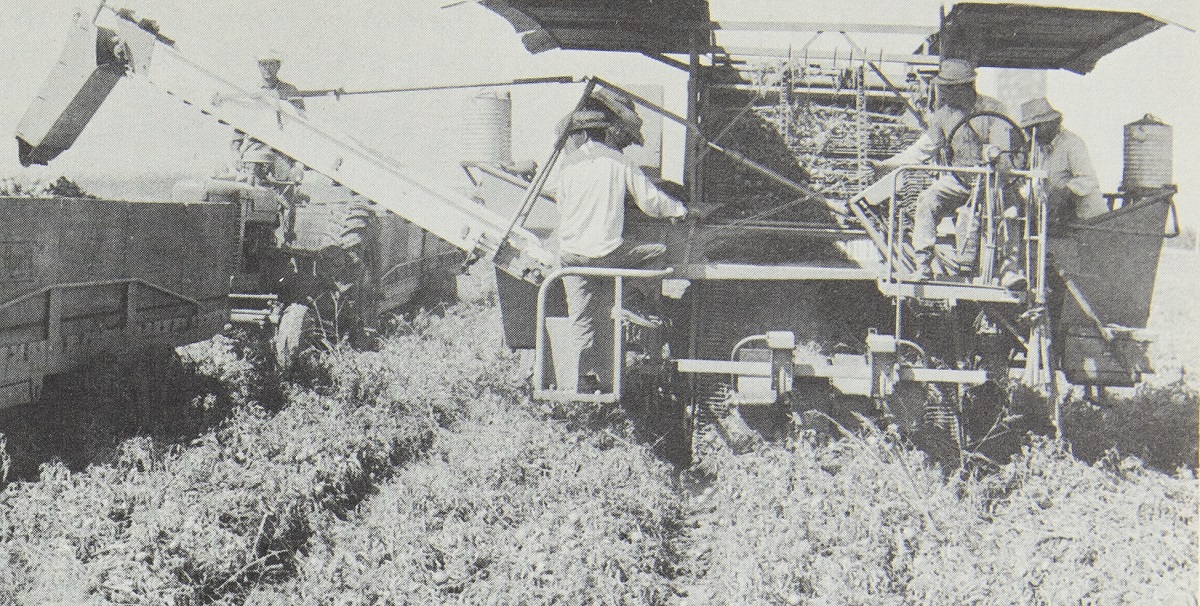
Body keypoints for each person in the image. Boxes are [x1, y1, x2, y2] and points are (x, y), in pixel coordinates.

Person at [549, 88, 701, 393]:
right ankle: (637, 303)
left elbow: (562, 204)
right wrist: (681, 211)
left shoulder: (567, 165)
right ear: (608, 132)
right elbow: (651, 202)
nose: (624, 142)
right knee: (657, 252)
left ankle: (584, 379)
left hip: (571, 256)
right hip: (608, 254)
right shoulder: (619, 162)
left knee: (581, 317)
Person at [876, 58, 1013, 280]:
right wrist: (886, 165)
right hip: (959, 180)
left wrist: (992, 154)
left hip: (992, 181)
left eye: (949, 88)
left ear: (966, 87)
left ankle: (1009, 269)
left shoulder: (994, 109)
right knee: (928, 200)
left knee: (1010, 212)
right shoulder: (943, 115)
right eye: (945, 88)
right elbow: (923, 149)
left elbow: (1001, 148)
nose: (945, 94)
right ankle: (923, 264)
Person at [1019, 97, 1107, 227]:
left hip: (1090, 218)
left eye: (1036, 127)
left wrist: (1063, 192)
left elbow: (1088, 179)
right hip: (1065, 220)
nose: (1033, 134)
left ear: (1052, 123)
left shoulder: (1072, 143)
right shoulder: (1039, 149)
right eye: (1029, 129)